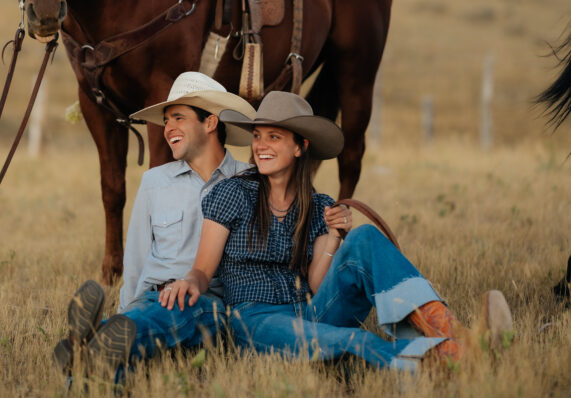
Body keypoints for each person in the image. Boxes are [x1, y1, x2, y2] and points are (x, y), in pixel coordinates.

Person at [159, 91, 514, 374]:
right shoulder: (233, 192)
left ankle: (455, 337)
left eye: (274, 137)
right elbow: (203, 269)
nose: (261, 146)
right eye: (258, 136)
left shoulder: (319, 204)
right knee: (354, 340)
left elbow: (317, 285)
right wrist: (190, 280)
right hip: (255, 320)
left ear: (300, 147)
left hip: (308, 310)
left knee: (363, 238)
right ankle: (453, 361)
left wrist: (333, 236)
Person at [53, 72, 256, 379]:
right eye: (166, 121)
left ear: (210, 123)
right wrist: (128, 310)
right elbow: (136, 258)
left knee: (181, 312)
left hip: (206, 303)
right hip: (152, 297)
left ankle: (89, 341)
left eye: (178, 118)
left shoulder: (249, 182)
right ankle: (94, 370)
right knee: (122, 355)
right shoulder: (155, 182)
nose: (167, 129)